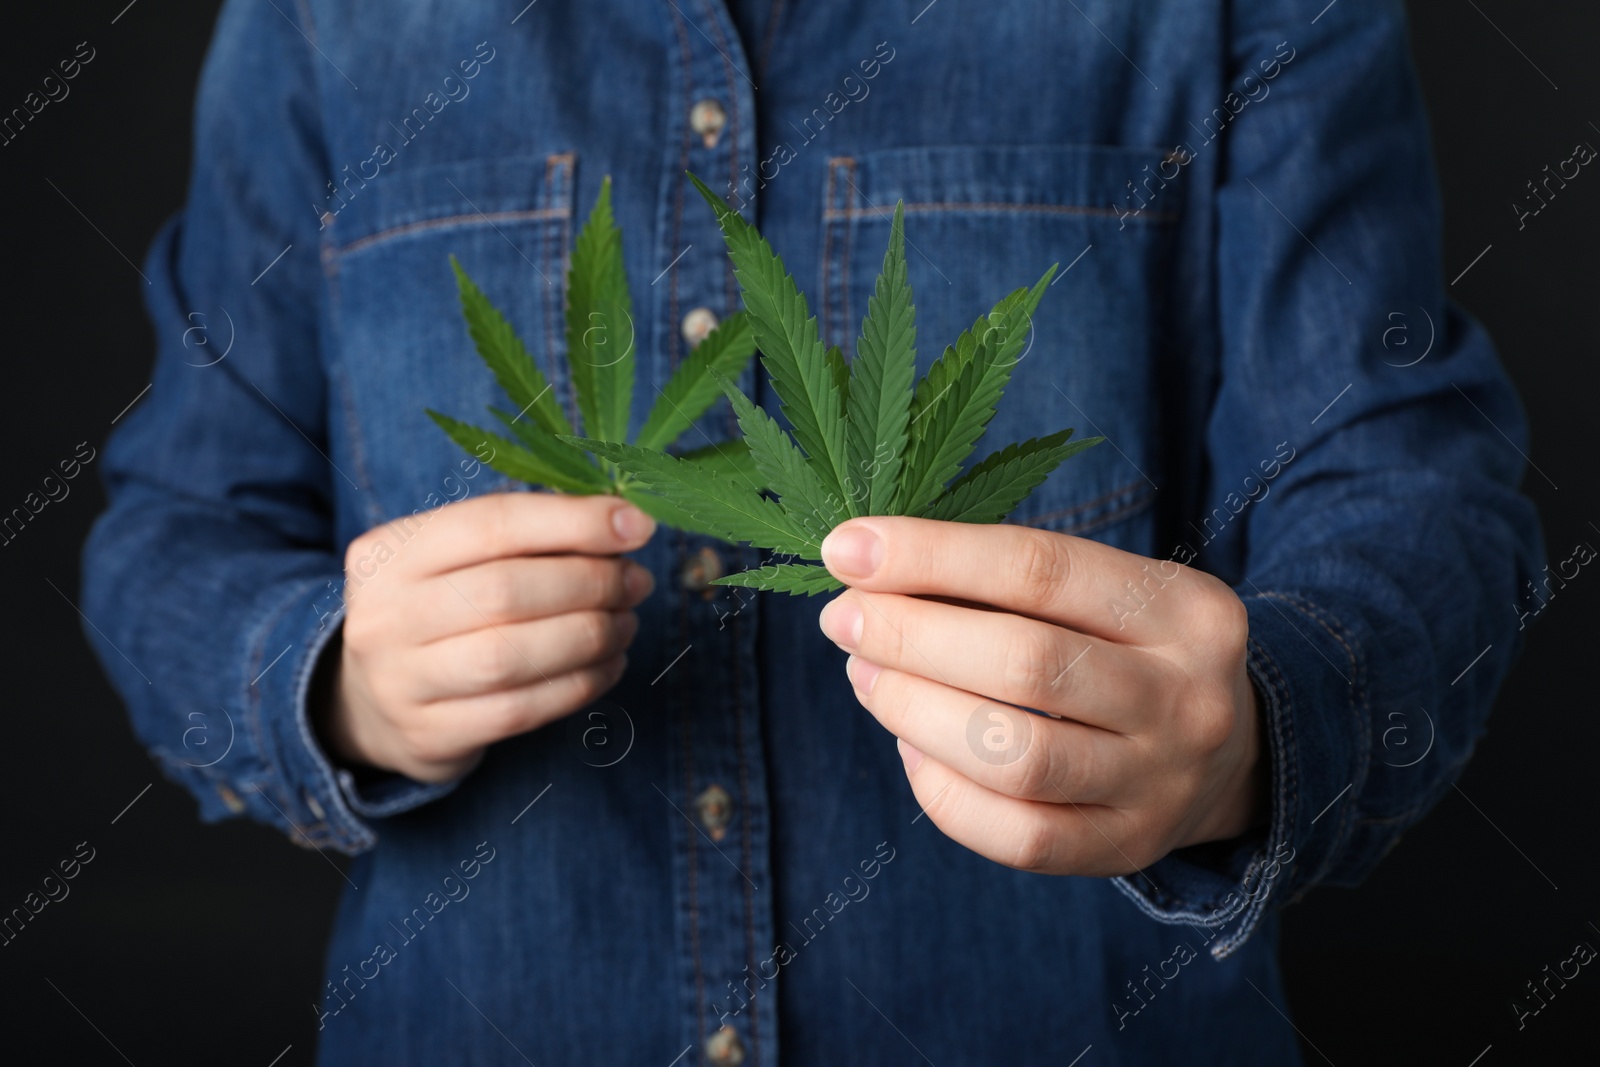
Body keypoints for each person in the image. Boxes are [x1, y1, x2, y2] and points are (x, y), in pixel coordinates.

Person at [82, 1, 1543, 1063]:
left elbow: (1413, 475)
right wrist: (328, 680)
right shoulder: (322, 27)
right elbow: (175, 527)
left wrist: (1260, 735)